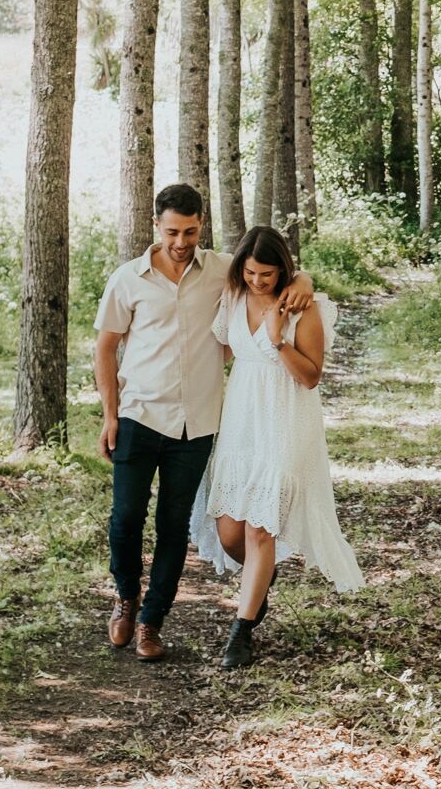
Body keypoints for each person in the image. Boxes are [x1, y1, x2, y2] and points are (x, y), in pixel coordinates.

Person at [95, 184, 315, 661]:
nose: (181, 241)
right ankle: (126, 599)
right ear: (156, 225)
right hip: (138, 415)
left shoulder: (222, 272)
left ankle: (152, 622)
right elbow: (106, 347)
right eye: (173, 231)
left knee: (175, 527)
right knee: (126, 518)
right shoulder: (127, 279)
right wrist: (110, 416)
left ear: (202, 226)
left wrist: (305, 282)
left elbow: (277, 274)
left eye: (191, 231)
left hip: (197, 424)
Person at [191, 225, 364, 670]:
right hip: (241, 421)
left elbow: (310, 376)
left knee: (260, 528)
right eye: (250, 272)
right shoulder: (232, 297)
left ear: (283, 270)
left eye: (267, 274)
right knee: (231, 533)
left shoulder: (304, 307)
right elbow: (224, 351)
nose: (258, 282)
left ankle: (241, 633)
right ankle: (259, 577)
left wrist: (276, 339)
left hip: (285, 420)